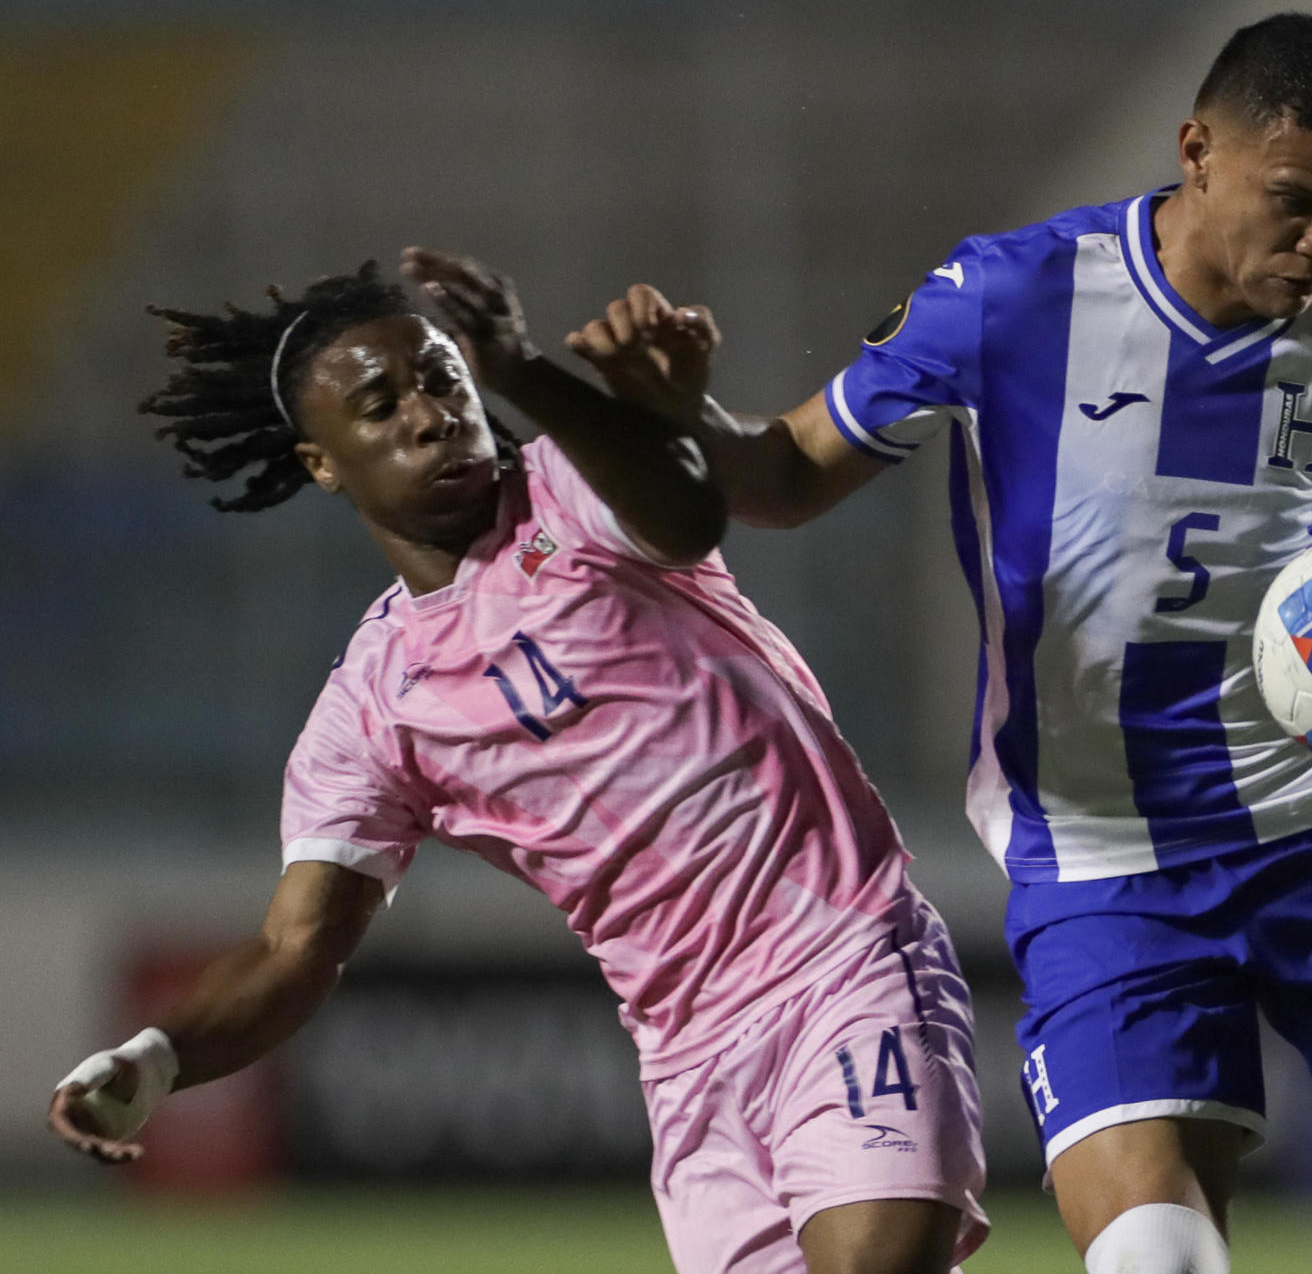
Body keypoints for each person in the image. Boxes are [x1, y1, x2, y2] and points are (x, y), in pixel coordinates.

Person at [563, 12, 1312, 1274]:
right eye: (1296, 203)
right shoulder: (1015, 297)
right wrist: (680, 418)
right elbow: (783, 478)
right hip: (1104, 870)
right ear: (1198, 148)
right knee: (1157, 1262)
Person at [46, 255, 989, 1274]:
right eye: (380, 405)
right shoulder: (373, 705)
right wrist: (156, 1055)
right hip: (689, 1061)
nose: (431, 414)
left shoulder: (573, 483)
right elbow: (293, 950)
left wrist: (523, 368)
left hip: (842, 963)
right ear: (322, 463)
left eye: (445, 378)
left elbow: (687, 511)